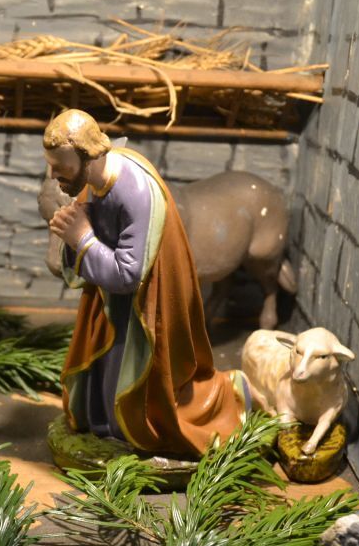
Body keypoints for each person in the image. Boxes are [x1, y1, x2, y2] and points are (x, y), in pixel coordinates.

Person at [44, 109, 249, 458]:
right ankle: (106, 425)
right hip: (112, 303)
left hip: (145, 310)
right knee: (103, 374)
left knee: (132, 385)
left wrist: (82, 239)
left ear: (89, 158)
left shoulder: (135, 192)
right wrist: (73, 233)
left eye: (60, 167)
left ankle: (226, 395)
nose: (53, 175)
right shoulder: (93, 182)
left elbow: (129, 275)